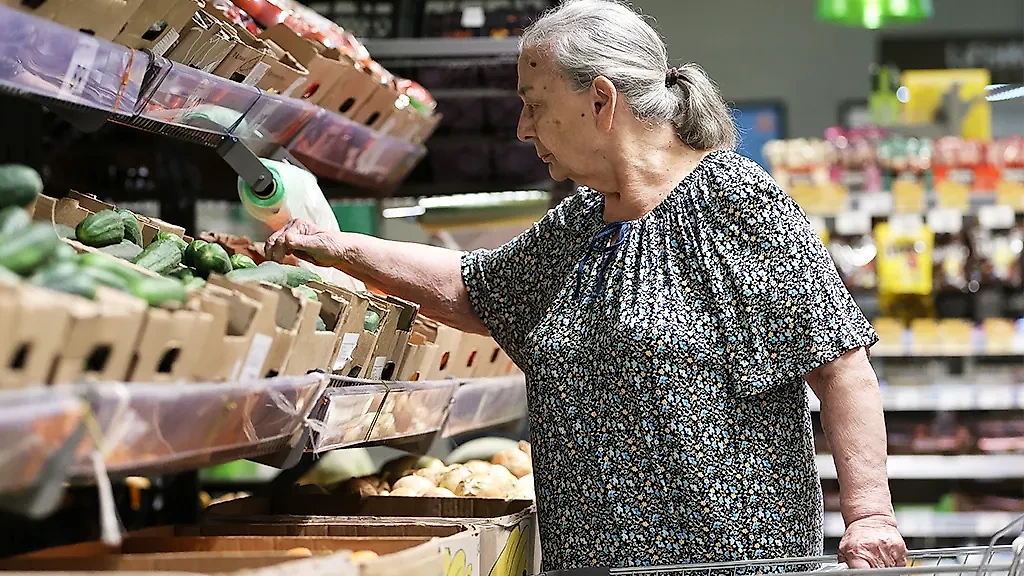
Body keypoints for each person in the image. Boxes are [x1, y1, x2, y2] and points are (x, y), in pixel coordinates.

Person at [267, 0, 907, 571]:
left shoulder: (735, 206)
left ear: (601, 101)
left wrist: (870, 516)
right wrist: (341, 249)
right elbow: (475, 289)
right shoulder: (579, 223)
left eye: (535, 104)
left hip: (732, 564)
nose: (522, 128)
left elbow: (842, 367)